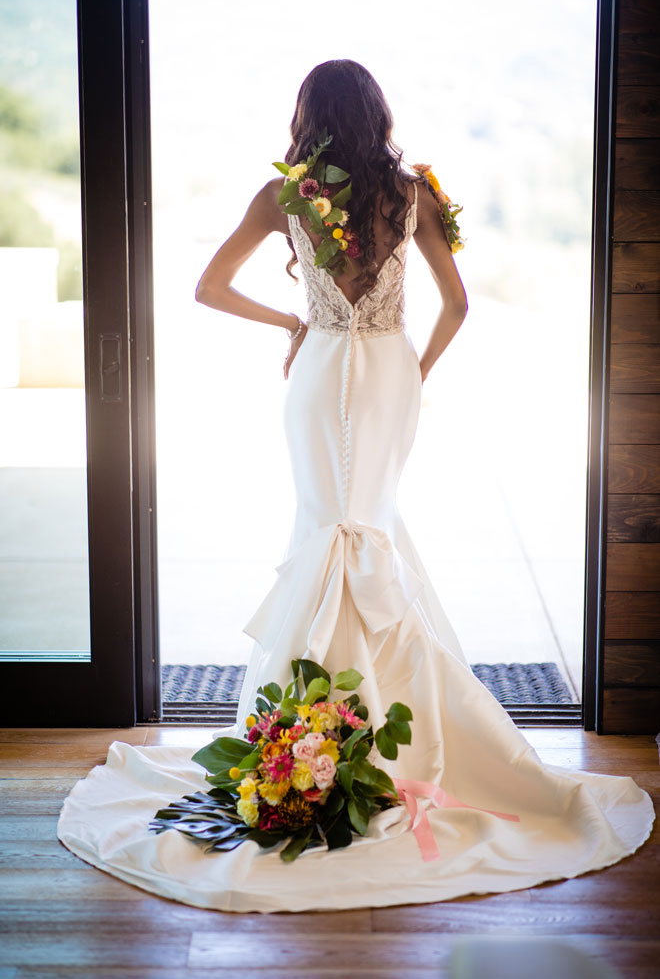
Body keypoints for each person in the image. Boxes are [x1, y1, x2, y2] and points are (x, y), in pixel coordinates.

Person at [57, 59, 654, 914]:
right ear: (376, 114)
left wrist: (294, 322)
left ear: (308, 117)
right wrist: (417, 368)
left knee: (329, 530)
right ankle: (360, 734)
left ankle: (311, 739)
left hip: (322, 370)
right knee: (358, 529)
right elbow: (457, 307)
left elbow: (208, 287)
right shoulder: (410, 193)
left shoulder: (286, 196)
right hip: (386, 376)